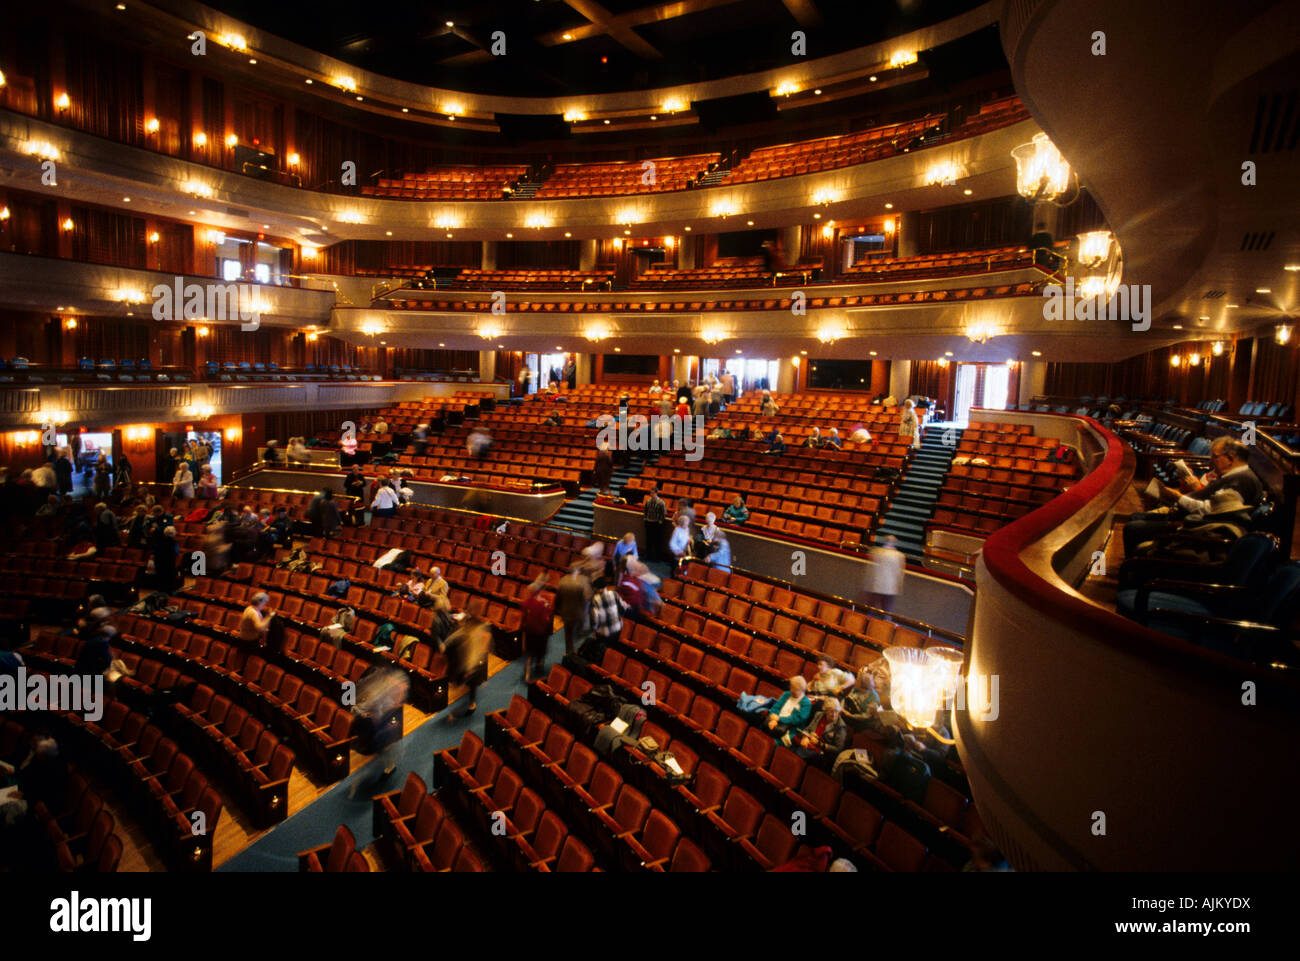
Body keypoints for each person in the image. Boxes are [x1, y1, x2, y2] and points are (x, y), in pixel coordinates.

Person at [1123, 436, 1264, 557]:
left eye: (1215, 456)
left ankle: (1135, 570)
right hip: (1187, 518)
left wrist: (1178, 497)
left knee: (1133, 527)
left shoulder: (1242, 480)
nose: (1211, 461)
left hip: (1196, 530)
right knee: (1136, 518)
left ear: (1230, 459)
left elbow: (1209, 510)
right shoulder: (1233, 475)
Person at [443, 615, 490, 721]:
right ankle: (466, 689)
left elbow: (479, 648)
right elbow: (449, 644)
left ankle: (472, 703)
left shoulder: (477, 634)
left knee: (472, 683)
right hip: (462, 662)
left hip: (471, 663)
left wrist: (471, 667)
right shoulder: (461, 634)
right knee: (462, 681)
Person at [790, 697, 848, 763]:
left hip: (821, 751)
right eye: (831, 711)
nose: (834, 715)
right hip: (809, 742)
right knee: (791, 745)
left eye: (836, 711)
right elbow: (807, 729)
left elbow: (838, 749)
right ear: (826, 710)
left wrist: (819, 743)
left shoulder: (840, 726)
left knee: (798, 753)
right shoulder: (819, 715)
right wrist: (805, 737)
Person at [521, 576, 555, 684]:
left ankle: (527, 672)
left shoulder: (525, 602)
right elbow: (546, 620)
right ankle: (539, 669)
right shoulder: (543, 604)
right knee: (540, 652)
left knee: (530, 653)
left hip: (529, 632)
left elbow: (524, 617)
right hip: (540, 633)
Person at [555, 564, 592, 655]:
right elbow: (583, 601)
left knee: (568, 634)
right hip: (578, 613)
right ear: (577, 571)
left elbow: (558, 599)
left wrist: (559, 610)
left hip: (566, 612)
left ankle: (569, 652)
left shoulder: (562, 581)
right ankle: (578, 651)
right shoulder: (579, 584)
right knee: (580, 631)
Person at [864, 534, 906, 612]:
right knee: (888, 608)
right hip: (891, 586)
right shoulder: (900, 555)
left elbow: (870, 570)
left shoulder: (877, 552)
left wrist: (868, 584)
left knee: (873, 606)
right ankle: (886, 621)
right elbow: (899, 574)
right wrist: (899, 587)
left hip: (878, 584)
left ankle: (870, 621)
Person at [765, 675, 812, 741]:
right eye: (791, 687)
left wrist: (779, 719)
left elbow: (796, 719)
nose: (791, 690)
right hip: (774, 721)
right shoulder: (786, 694)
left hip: (789, 727)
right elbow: (776, 707)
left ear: (801, 690)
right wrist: (774, 718)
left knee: (771, 739)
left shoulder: (806, 703)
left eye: (794, 689)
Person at [588, 577, 628, 650]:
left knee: (603, 650)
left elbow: (595, 618)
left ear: (597, 589)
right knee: (614, 648)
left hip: (603, 632)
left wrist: (594, 629)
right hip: (617, 628)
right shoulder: (614, 594)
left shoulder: (594, 600)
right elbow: (622, 608)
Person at [842, 669, 887, 734]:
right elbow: (847, 698)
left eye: (857, 681)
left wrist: (851, 715)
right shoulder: (856, 688)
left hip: (859, 719)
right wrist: (841, 708)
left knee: (842, 719)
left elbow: (866, 716)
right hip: (847, 711)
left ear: (863, 686)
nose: (855, 682)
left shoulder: (873, 698)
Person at [642, 486, 668, 562]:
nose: (651, 494)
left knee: (656, 541)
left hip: (656, 524)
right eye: (650, 493)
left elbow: (664, 513)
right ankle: (648, 555)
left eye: (653, 493)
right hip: (649, 522)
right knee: (648, 540)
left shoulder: (661, 502)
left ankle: (657, 557)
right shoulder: (648, 501)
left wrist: (660, 521)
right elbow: (645, 510)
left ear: (656, 493)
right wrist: (645, 519)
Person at [153, 525, 179, 592]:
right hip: (169, 564)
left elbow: (155, 551)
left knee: (161, 578)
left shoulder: (159, 542)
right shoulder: (174, 543)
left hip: (159, 563)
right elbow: (176, 552)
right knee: (169, 580)